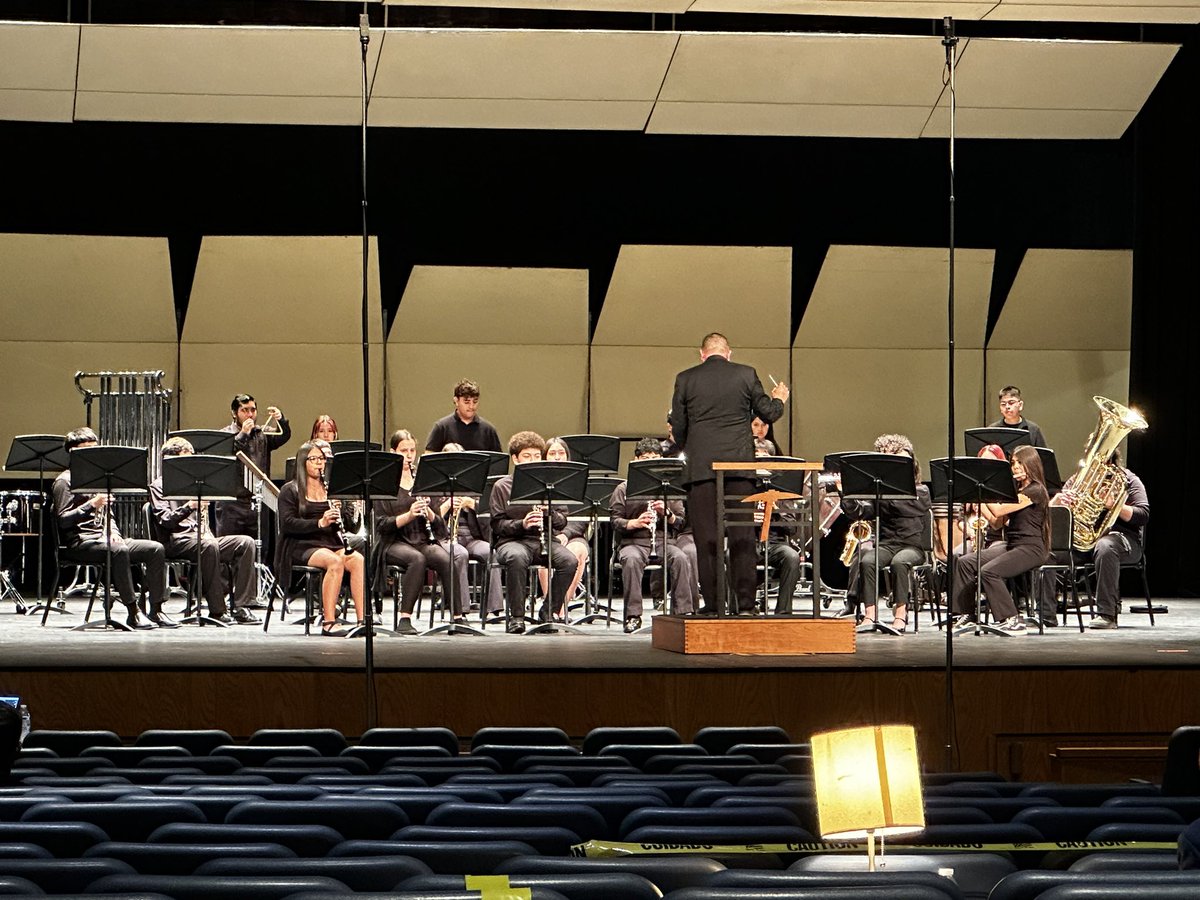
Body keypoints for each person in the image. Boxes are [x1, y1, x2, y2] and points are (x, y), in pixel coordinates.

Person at [670, 332, 788, 614]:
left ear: (702, 354)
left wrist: (695, 448)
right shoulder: (746, 375)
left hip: (701, 469)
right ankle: (745, 606)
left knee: (706, 537)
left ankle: (712, 605)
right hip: (739, 467)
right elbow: (768, 414)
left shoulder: (685, 378)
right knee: (742, 535)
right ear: (729, 353)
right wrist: (780, 398)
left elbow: (678, 426)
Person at [51, 427, 168, 630]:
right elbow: (63, 520)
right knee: (118, 551)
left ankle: (156, 609)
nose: (92, 455)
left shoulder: (96, 479)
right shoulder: (65, 481)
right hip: (80, 543)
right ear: (72, 452)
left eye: (94, 449)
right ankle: (133, 612)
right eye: (86, 449)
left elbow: (109, 516)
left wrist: (113, 532)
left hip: (104, 538)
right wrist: (91, 505)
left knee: (155, 548)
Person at [149, 436, 258, 625]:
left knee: (245, 543)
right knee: (208, 546)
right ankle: (217, 610)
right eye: (186, 460)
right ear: (171, 461)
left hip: (201, 539)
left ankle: (242, 606)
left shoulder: (194, 485)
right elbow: (166, 521)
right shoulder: (158, 486)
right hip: (176, 541)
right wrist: (189, 507)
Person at [374, 430, 471, 635]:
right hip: (393, 541)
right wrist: (409, 515)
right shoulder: (384, 482)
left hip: (420, 538)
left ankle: (457, 617)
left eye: (412, 450)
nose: (409, 455)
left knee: (446, 558)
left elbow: (440, 528)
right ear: (393, 452)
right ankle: (404, 618)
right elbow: (382, 525)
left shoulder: (423, 480)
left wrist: (430, 514)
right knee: (416, 560)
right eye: (404, 451)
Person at [951, 444, 1051, 635]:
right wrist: (980, 504)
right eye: (1013, 463)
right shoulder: (1017, 490)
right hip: (1013, 544)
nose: (1015, 467)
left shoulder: (1035, 490)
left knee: (988, 572)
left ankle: (1013, 619)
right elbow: (997, 523)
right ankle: (968, 614)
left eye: (1020, 463)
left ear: (1031, 464)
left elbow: (998, 509)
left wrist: (981, 491)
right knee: (965, 562)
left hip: (1032, 547)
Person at [1044, 448, 1149, 630]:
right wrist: (1059, 504)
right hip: (1083, 543)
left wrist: (1115, 506)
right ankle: (1046, 615)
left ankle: (1107, 614)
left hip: (1122, 540)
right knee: (1045, 552)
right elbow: (1059, 519)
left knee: (1105, 546)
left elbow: (1143, 514)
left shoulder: (1128, 479)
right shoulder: (1077, 481)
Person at [840, 434, 932, 635]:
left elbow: (908, 507)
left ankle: (901, 614)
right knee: (867, 561)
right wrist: (847, 493)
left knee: (900, 562)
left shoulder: (921, 490)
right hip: (887, 544)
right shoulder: (878, 494)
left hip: (912, 547)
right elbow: (861, 512)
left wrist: (882, 493)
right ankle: (870, 615)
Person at [489, 431, 578, 634]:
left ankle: (548, 612)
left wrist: (549, 512)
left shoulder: (549, 485)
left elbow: (562, 521)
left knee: (569, 561)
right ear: (515, 459)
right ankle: (517, 617)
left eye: (537, 456)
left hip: (543, 540)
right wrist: (523, 524)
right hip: (511, 541)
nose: (533, 461)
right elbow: (497, 525)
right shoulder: (502, 487)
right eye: (527, 456)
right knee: (517, 556)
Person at [276, 441, 366, 637]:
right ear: (303, 462)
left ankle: (362, 620)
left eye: (322, 459)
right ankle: (329, 622)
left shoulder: (330, 489)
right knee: (334, 562)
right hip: (300, 544)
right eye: (314, 459)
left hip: (329, 542)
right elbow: (287, 523)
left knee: (358, 560)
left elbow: (351, 527)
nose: (319, 463)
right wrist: (320, 522)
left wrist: (348, 510)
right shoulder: (289, 490)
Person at [610, 438, 697, 632]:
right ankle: (633, 616)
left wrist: (667, 514)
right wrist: (633, 523)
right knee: (631, 560)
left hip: (663, 540)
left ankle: (682, 613)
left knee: (681, 558)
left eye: (655, 458)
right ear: (636, 460)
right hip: (633, 542)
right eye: (646, 458)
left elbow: (681, 521)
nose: (650, 462)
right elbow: (615, 521)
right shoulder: (623, 489)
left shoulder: (668, 489)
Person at [440, 442, 504, 617]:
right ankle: (461, 608)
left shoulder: (474, 485)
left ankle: (494, 607)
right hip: (445, 538)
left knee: (491, 553)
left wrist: (472, 504)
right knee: (459, 553)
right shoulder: (435, 485)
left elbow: (488, 512)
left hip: (472, 537)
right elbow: (430, 516)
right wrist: (447, 505)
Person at [218, 393, 291, 542]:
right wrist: (243, 434)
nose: (250, 414)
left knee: (260, 548)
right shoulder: (225, 434)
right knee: (230, 549)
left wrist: (281, 420)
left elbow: (284, 436)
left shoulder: (261, 433)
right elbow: (230, 452)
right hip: (232, 504)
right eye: (244, 410)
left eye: (253, 410)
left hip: (257, 501)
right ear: (234, 413)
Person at [539, 437, 590, 617]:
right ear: (544, 457)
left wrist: (566, 534)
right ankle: (551, 606)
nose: (557, 457)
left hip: (573, 534)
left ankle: (561, 608)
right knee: (544, 552)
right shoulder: (537, 481)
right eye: (552, 453)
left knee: (577, 551)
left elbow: (583, 516)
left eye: (561, 453)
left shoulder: (578, 481)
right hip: (547, 534)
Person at [753, 439, 802, 615]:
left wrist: (776, 511)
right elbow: (726, 524)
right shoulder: (744, 487)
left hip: (775, 543)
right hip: (749, 541)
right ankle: (741, 609)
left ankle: (783, 612)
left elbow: (791, 528)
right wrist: (750, 519)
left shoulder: (782, 490)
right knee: (731, 555)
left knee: (791, 556)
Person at [424, 379, 502, 453]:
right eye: (466, 402)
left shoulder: (489, 430)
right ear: (456, 401)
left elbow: (498, 462)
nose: (471, 406)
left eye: (475, 401)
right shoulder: (441, 427)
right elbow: (428, 459)